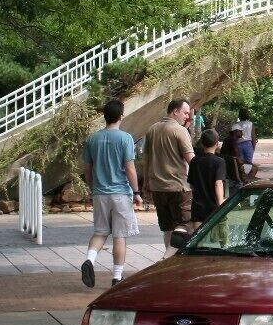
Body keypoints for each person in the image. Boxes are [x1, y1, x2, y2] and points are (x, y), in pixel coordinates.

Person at [80, 98, 142, 288]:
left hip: (100, 193)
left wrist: (92, 188)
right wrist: (137, 192)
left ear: (104, 117)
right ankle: (117, 277)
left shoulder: (93, 139)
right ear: (121, 116)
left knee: (100, 232)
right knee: (119, 236)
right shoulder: (125, 138)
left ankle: (90, 260)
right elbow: (130, 168)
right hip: (121, 193)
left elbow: (87, 168)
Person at [143, 99, 195, 258]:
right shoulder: (179, 131)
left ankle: (169, 260)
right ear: (175, 111)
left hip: (157, 187)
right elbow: (191, 159)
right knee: (185, 226)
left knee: (167, 228)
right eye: (185, 113)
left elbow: (147, 159)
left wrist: (146, 183)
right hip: (179, 187)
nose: (187, 117)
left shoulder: (152, 129)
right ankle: (167, 258)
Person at [186, 129, 227, 233]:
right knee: (215, 238)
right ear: (217, 143)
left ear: (202, 143)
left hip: (197, 205)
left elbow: (191, 184)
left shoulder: (194, 161)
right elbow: (218, 184)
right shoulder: (219, 162)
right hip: (213, 206)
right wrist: (220, 205)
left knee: (197, 237)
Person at [220, 125, 246, 194]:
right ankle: (244, 186)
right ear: (236, 131)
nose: (241, 133)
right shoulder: (233, 140)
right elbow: (236, 155)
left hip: (227, 165)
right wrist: (241, 162)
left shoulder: (227, 139)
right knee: (253, 168)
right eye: (240, 131)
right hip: (233, 166)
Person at [235, 107, 257, 175]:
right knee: (249, 164)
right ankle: (248, 178)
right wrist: (253, 147)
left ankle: (242, 178)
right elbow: (253, 137)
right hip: (248, 144)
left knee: (240, 164)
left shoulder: (236, 124)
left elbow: (234, 137)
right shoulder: (250, 124)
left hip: (238, 144)